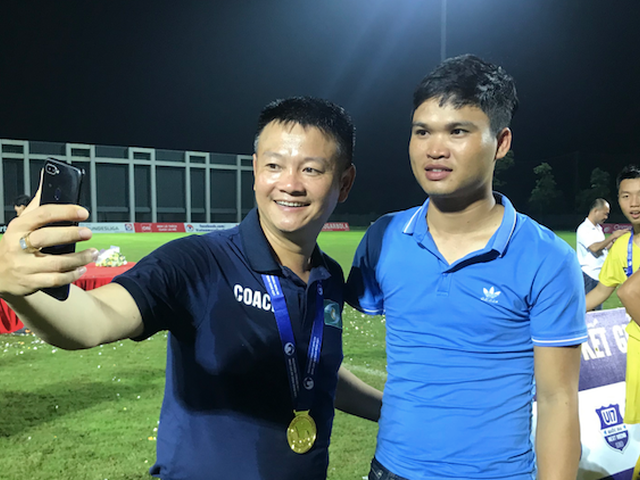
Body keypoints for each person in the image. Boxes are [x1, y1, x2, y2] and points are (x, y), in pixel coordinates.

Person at [0, 96, 382, 480]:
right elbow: (94, 321)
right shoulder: (197, 260)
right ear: (255, 170)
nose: (290, 184)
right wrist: (17, 287)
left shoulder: (329, 277)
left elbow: (312, 371)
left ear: (344, 182)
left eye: (311, 169)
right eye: (274, 165)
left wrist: (393, 410)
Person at [347, 55, 586, 480]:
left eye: (457, 131)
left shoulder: (547, 258)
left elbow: (558, 401)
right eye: (422, 131)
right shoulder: (384, 237)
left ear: (501, 142)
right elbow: (321, 345)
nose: (434, 149)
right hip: (390, 470)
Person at [587, 165, 640, 425]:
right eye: (626, 196)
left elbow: (629, 293)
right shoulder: (621, 248)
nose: (634, 203)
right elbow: (600, 292)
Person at [576, 198, 628, 307]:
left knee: (597, 310)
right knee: (588, 309)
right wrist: (612, 236)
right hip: (588, 274)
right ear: (595, 211)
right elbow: (594, 248)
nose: (606, 217)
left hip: (598, 275)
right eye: (605, 214)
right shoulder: (584, 228)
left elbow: (602, 248)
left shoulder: (598, 228)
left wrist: (615, 241)